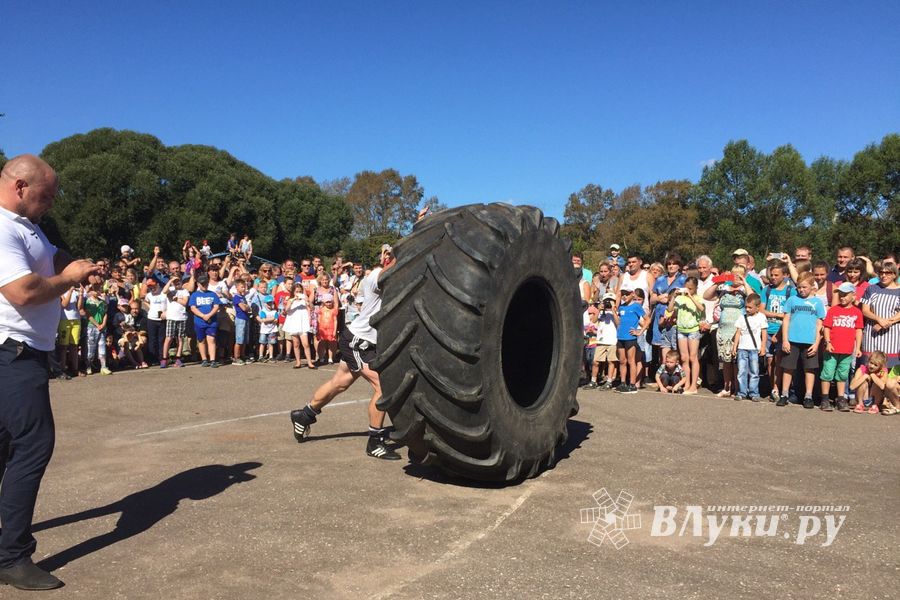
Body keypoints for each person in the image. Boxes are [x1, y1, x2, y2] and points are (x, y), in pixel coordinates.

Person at [0, 154, 101, 589]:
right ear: (21, 186)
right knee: (33, 445)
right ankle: (11, 557)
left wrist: (76, 267)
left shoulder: (27, 225)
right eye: (47, 196)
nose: (51, 203)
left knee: (5, 448)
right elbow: (23, 292)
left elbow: (53, 257)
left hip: (21, 351)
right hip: (13, 352)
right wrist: (71, 277)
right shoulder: (2, 228)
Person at [290, 245, 401, 460]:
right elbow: (389, 271)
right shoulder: (376, 275)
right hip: (359, 341)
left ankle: (304, 415)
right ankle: (375, 442)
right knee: (384, 387)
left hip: (359, 339)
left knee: (339, 383)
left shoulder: (392, 279)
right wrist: (400, 253)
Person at [779, 273, 826, 408]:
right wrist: (785, 340)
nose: (801, 290)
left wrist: (816, 343)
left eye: (804, 287)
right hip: (792, 340)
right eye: (799, 287)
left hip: (810, 341)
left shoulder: (817, 302)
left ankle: (808, 396)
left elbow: (819, 324)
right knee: (788, 368)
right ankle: (784, 394)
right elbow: (786, 320)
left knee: (809, 369)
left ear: (812, 287)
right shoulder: (792, 300)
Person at [820, 282, 864, 412]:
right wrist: (828, 342)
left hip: (847, 350)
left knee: (842, 374)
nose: (842, 297)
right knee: (827, 373)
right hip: (832, 348)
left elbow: (858, 330)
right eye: (841, 295)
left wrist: (858, 348)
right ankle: (825, 399)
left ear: (853, 296)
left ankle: (841, 399)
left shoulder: (857, 312)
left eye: (845, 295)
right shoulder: (833, 310)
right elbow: (827, 327)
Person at [859, 262, 900, 368]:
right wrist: (879, 319)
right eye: (881, 272)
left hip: (892, 334)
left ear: (894, 274)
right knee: (869, 367)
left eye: (888, 273)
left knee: (889, 368)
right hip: (872, 333)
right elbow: (865, 310)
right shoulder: (871, 289)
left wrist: (885, 323)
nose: (884, 275)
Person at [669, 277, 704, 395]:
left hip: (693, 330)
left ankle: (694, 385)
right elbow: (670, 309)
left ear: (695, 288)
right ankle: (687, 383)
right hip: (681, 329)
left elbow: (701, 309)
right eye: (686, 288)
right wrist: (674, 297)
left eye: (691, 288)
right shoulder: (680, 298)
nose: (688, 290)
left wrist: (690, 296)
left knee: (693, 357)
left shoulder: (698, 298)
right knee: (684, 358)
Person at [732, 293, 767, 401]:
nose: (747, 309)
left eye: (750, 307)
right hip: (742, 348)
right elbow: (738, 333)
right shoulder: (742, 317)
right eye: (746, 307)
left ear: (757, 307)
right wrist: (735, 347)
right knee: (741, 371)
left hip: (754, 349)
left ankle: (754, 393)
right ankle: (742, 392)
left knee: (754, 372)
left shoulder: (761, 317)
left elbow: (764, 333)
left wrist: (763, 347)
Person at [615, 288, 647, 394]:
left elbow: (647, 319)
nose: (625, 296)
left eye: (627, 294)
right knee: (622, 361)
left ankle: (632, 384)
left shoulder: (636, 306)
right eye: (623, 294)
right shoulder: (621, 307)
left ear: (632, 294)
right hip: (620, 337)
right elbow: (618, 321)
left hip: (630, 338)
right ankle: (623, 383)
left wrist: (640, 331)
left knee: (631, 361)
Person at [189, 273, 221, 368]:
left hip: (212, 321)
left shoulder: (213, 294)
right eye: (202, 284)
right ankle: (204, 359)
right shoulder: (195, 295)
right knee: (201, 340)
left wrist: (209, 315)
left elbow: (216, 306)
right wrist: (203, 316)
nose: (204, 285)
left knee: (211, 339)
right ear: (198, 284)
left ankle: (212, 359)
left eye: (206, 283)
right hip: (199, 321)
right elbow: (193, 308)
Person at [161, 276, 189, 368]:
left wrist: (175, 298)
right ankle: (164, 358)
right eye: (175, 282)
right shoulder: (170, 289)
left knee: (180, 338)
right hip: (171, 317)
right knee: (168, 338)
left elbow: (185, 303)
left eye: (178, 281)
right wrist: (171, 281)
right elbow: (164, 291)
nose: (177, 283)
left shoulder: (185, 291)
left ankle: (178, 358)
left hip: (181, 317)